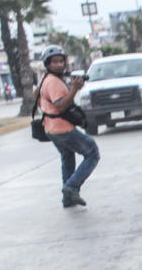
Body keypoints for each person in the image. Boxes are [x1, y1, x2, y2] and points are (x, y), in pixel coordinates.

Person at [38, 45, 99, 208]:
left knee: (67, 157)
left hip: (51, 128)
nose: (59, 65)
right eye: (54, 62)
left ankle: (68, 199)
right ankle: (71, 187)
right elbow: (60, 106)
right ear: (47, 64)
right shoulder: (53, 83)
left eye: (61, 61)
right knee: (92, 152)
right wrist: (74, 90)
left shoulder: (46, 79)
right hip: (61, 128)